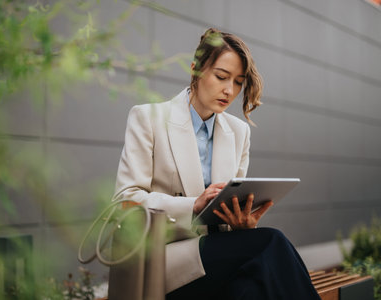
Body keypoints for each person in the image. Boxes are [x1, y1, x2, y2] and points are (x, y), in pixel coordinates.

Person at [113, 28, 320, 299]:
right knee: (272, 241)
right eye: (222, 77)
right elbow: (125, 203)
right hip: (163, 259)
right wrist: (193, 205)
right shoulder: (148, 118)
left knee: (251, 290)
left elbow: (228, 213)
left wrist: (241, 224)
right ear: (196, 70)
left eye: (238, 82)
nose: (229, 90)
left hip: (219, 259)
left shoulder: (239, 132)